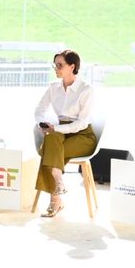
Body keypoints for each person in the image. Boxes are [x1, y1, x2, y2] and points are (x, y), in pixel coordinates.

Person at [33, 49, 97, 218]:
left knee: (48, 149)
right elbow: (40, 110)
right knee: (52, 141)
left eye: (60, 65)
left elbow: (82, 123)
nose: (56, 68)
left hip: (82, 135)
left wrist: (56, 129)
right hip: (59, 132)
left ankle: (56, 201)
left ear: (72, 66)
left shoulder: (86, 89)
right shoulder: (53, 88)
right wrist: (42, 122)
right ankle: (59, 182)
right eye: (55, 65)